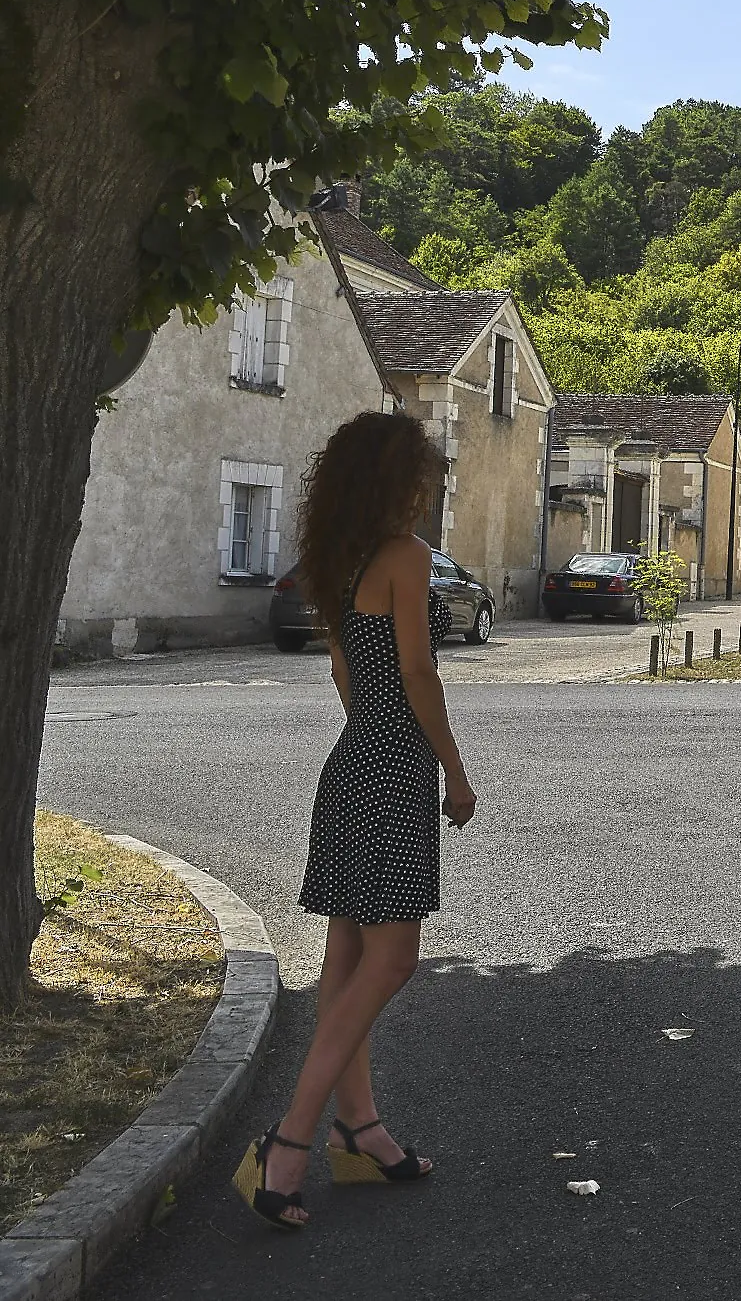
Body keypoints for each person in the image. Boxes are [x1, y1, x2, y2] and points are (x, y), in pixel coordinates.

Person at [235, 411, 478, 1230]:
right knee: (393, 957)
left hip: (350, 760)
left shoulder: (344, 562)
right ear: (392, 482)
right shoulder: (407, 559)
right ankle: (290, 1140)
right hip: (392, 767)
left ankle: (359, 1126)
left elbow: (348, 669)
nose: (427, 492)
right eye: (420, 479)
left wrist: (371, 728)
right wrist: (453, 766)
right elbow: (417, 670)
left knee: (347, 954)